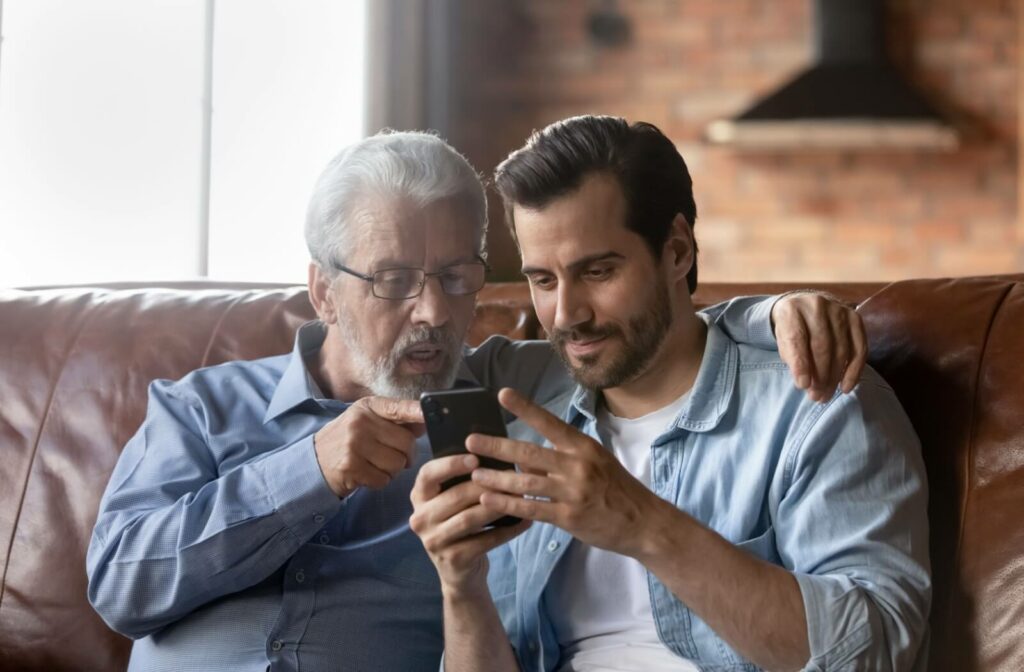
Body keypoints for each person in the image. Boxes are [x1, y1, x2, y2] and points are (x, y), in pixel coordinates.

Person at [86, 130, 865, 672]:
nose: (432, 313)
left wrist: (769, 314)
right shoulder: (204, 407)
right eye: (394, 282)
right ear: (322, 289)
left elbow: (637, 333)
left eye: (459, 278)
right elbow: (122, 586)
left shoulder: (501, 400)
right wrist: (309, 472)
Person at [410, 116, 930, 672]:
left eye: (598, 271)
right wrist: (460, 587)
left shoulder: (817, 400)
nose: (567, 315)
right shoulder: (519, 405)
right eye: (543, 280)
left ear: (677, 251)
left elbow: (877, 654)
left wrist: (643, 524)